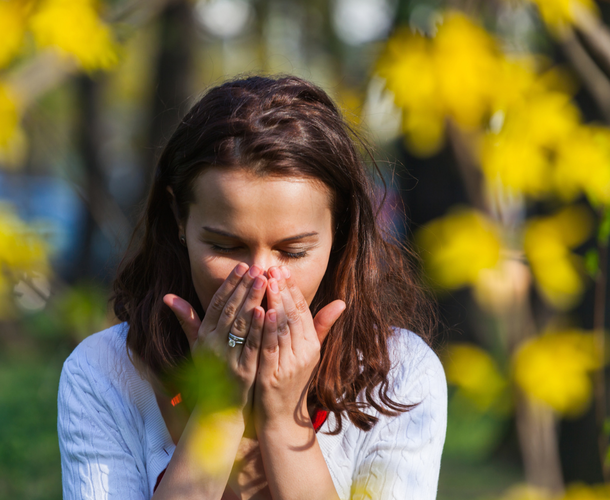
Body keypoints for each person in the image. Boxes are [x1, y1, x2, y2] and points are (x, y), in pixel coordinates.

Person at [57, 75, 447, 500]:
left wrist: (284, 421)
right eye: (225, 246)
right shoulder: (105, 373)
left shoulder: (400, 377)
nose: (261, 278)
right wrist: (217, 411)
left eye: (293, 251)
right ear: (179, 220)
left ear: (340, 232)